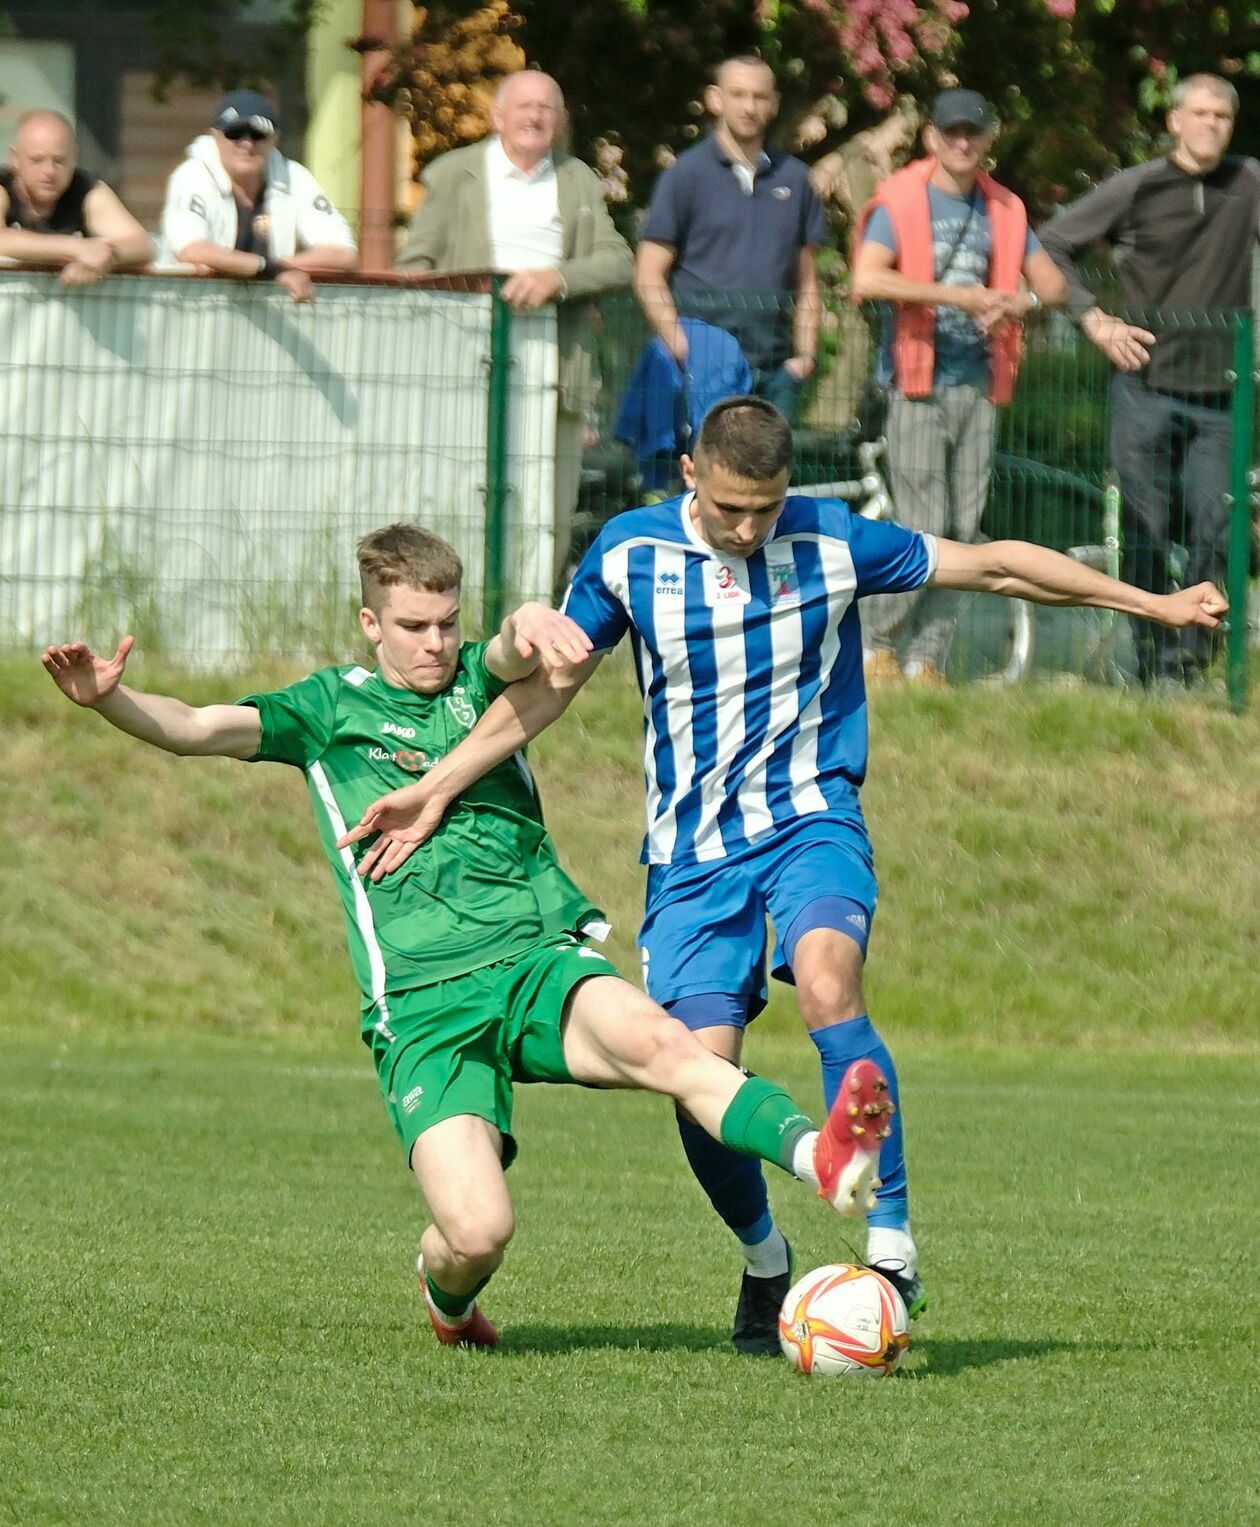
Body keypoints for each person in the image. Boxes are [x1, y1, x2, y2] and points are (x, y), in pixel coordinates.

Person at [333, 399, 1226, 1355]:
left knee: (831, 977)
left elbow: (995, 561)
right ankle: (766, 1261)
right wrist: (434, 786)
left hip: (810, 820)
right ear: (689, 475)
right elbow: (546, 689)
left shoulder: (832, 539)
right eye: (729, 510)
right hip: (689, 858)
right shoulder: (630, 554)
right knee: (702, 1071)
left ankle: (891, 1245)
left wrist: (1155, 604)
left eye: (764, 508)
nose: (749, 529)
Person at [40, 521, 898, 1351]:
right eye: (413, 626)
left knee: (665, 1042)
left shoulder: (480, 690)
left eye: (448, 622)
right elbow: (193, 726)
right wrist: (108, 697)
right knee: (479, 1231)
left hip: (533, 960)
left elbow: (517, 648)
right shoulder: (325, 710)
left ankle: (819, 1154)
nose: (435, 643)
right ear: (371, 623)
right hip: (420, 1007)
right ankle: (446, 1301)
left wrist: (530, 620)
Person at [1040, 73, 1260, 692]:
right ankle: (1149, 665)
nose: (1211, 124)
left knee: (1216, 532)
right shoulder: (1138, 186)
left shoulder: (1249, 183)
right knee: (1145, 529)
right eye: (1200, 113)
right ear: (1174, 121)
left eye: (1222, 115)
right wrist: (1092, 317)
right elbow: (1051, 244)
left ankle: (1192, 661)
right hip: (1144, 385)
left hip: (1222, 393)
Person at [851, 89, 1067, 687]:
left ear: (989, 138)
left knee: (965, 533)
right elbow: (866, 276)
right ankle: (872, 643)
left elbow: (1051, 286)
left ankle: (927, 661)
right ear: (931, 138)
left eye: (974, 132)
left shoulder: (1005, 209)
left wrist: (1014, 302)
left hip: (981, 386)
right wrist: (960, 296)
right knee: (927, 526)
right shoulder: (901, 199)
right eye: (952, 132)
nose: (963, 142)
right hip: (916, 383)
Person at [397, 71, 634, 589]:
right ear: (497, 117)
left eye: (547, 107)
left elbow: (619, 261)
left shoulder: (577, 181)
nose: (535, 116)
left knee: (546, 504)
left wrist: (559, 278)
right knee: (459, 496)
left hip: (559, 370)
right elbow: (413, 267)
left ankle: (532, 620)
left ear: (561, 120)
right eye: (524, 106)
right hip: (466, 367)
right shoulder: (453, 174)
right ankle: (451, 608)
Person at [635, 57, 828, 431]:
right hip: (705, 365)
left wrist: (804, 357)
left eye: (759, 96)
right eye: (738, 94)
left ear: (774, 104)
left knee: (771, 486)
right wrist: (681, 347)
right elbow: (648, 273)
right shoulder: (685, 175)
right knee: (708, 482)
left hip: (776, 371)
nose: (749, 107)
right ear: (715, 99)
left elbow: (808, 281)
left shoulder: (797, 179)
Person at [160, 90, 358, 306]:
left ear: (274, 139)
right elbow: (191, 250)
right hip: (192, 313)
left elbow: (344, 253)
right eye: (234, 133)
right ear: (215, 136)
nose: (246, 144)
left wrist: (279, 268)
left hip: (267, 320)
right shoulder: (191, 175)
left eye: (258, 134)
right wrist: (269, 269)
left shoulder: (294, 176)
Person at [0, 109, 154, 285]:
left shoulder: (87, 191)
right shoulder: (2, 187)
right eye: (37, 160)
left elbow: (142, 245)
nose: (49, 171)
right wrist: (76, 248)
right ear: (15, 159)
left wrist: (106, 257)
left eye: (59, 160)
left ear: (75, 156)